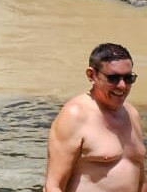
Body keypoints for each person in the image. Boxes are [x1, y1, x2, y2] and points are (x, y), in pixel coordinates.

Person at [44, 43, 146, 192]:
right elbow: (53, 186)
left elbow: (141, 179)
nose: (122, 86)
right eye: (113, 78)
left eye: (128, 78)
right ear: (91, 75)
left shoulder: (132, 114)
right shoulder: (75, 115)